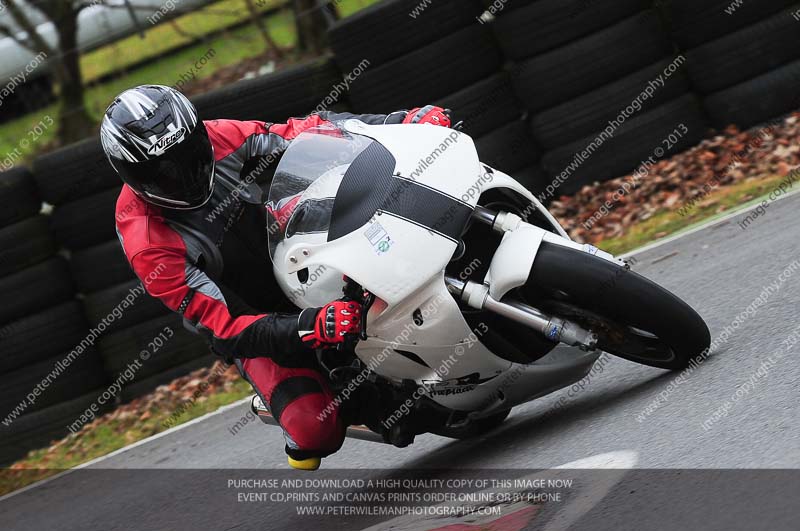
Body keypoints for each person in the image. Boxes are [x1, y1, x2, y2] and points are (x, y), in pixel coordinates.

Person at [100, 85, 451, 470]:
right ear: (132, 176)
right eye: (165, 173)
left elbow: (315, 134)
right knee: (313, 432)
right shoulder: (148, 242)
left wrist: (401, 122)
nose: (186, 174)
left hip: (298, 254)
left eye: (190, 156)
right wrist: (308, 327)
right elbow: (226, 325)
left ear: (199, 134)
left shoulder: (222, 137)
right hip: (253, 318)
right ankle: (377, 407)